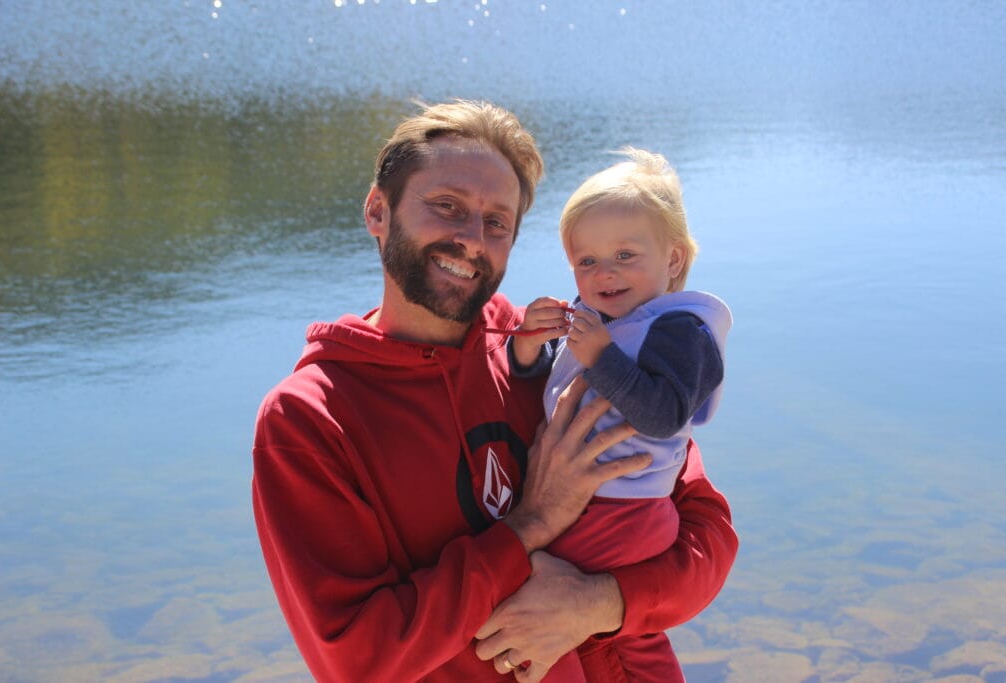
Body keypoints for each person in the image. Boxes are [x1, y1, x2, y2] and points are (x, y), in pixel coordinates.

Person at [252, 100, 738, 682]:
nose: (470, 240)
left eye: (497, 222)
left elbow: (707, 537)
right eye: (447, 206)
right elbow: (358, 658)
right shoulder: (310, 420)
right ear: (378, 211)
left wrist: (601, 603)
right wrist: (530, 523)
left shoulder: (549, 351)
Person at [503, 148, 732, 680]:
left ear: (673, 261)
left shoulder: (681, 330)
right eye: (586, 261)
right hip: (600, 507)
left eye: (625, 255)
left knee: (528, 586)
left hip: (625, 511)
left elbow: (663, 414)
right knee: (625, 636)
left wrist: (600, 356)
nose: (604, 273)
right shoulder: (594, 318)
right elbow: (551, 384)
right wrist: (528, 347)